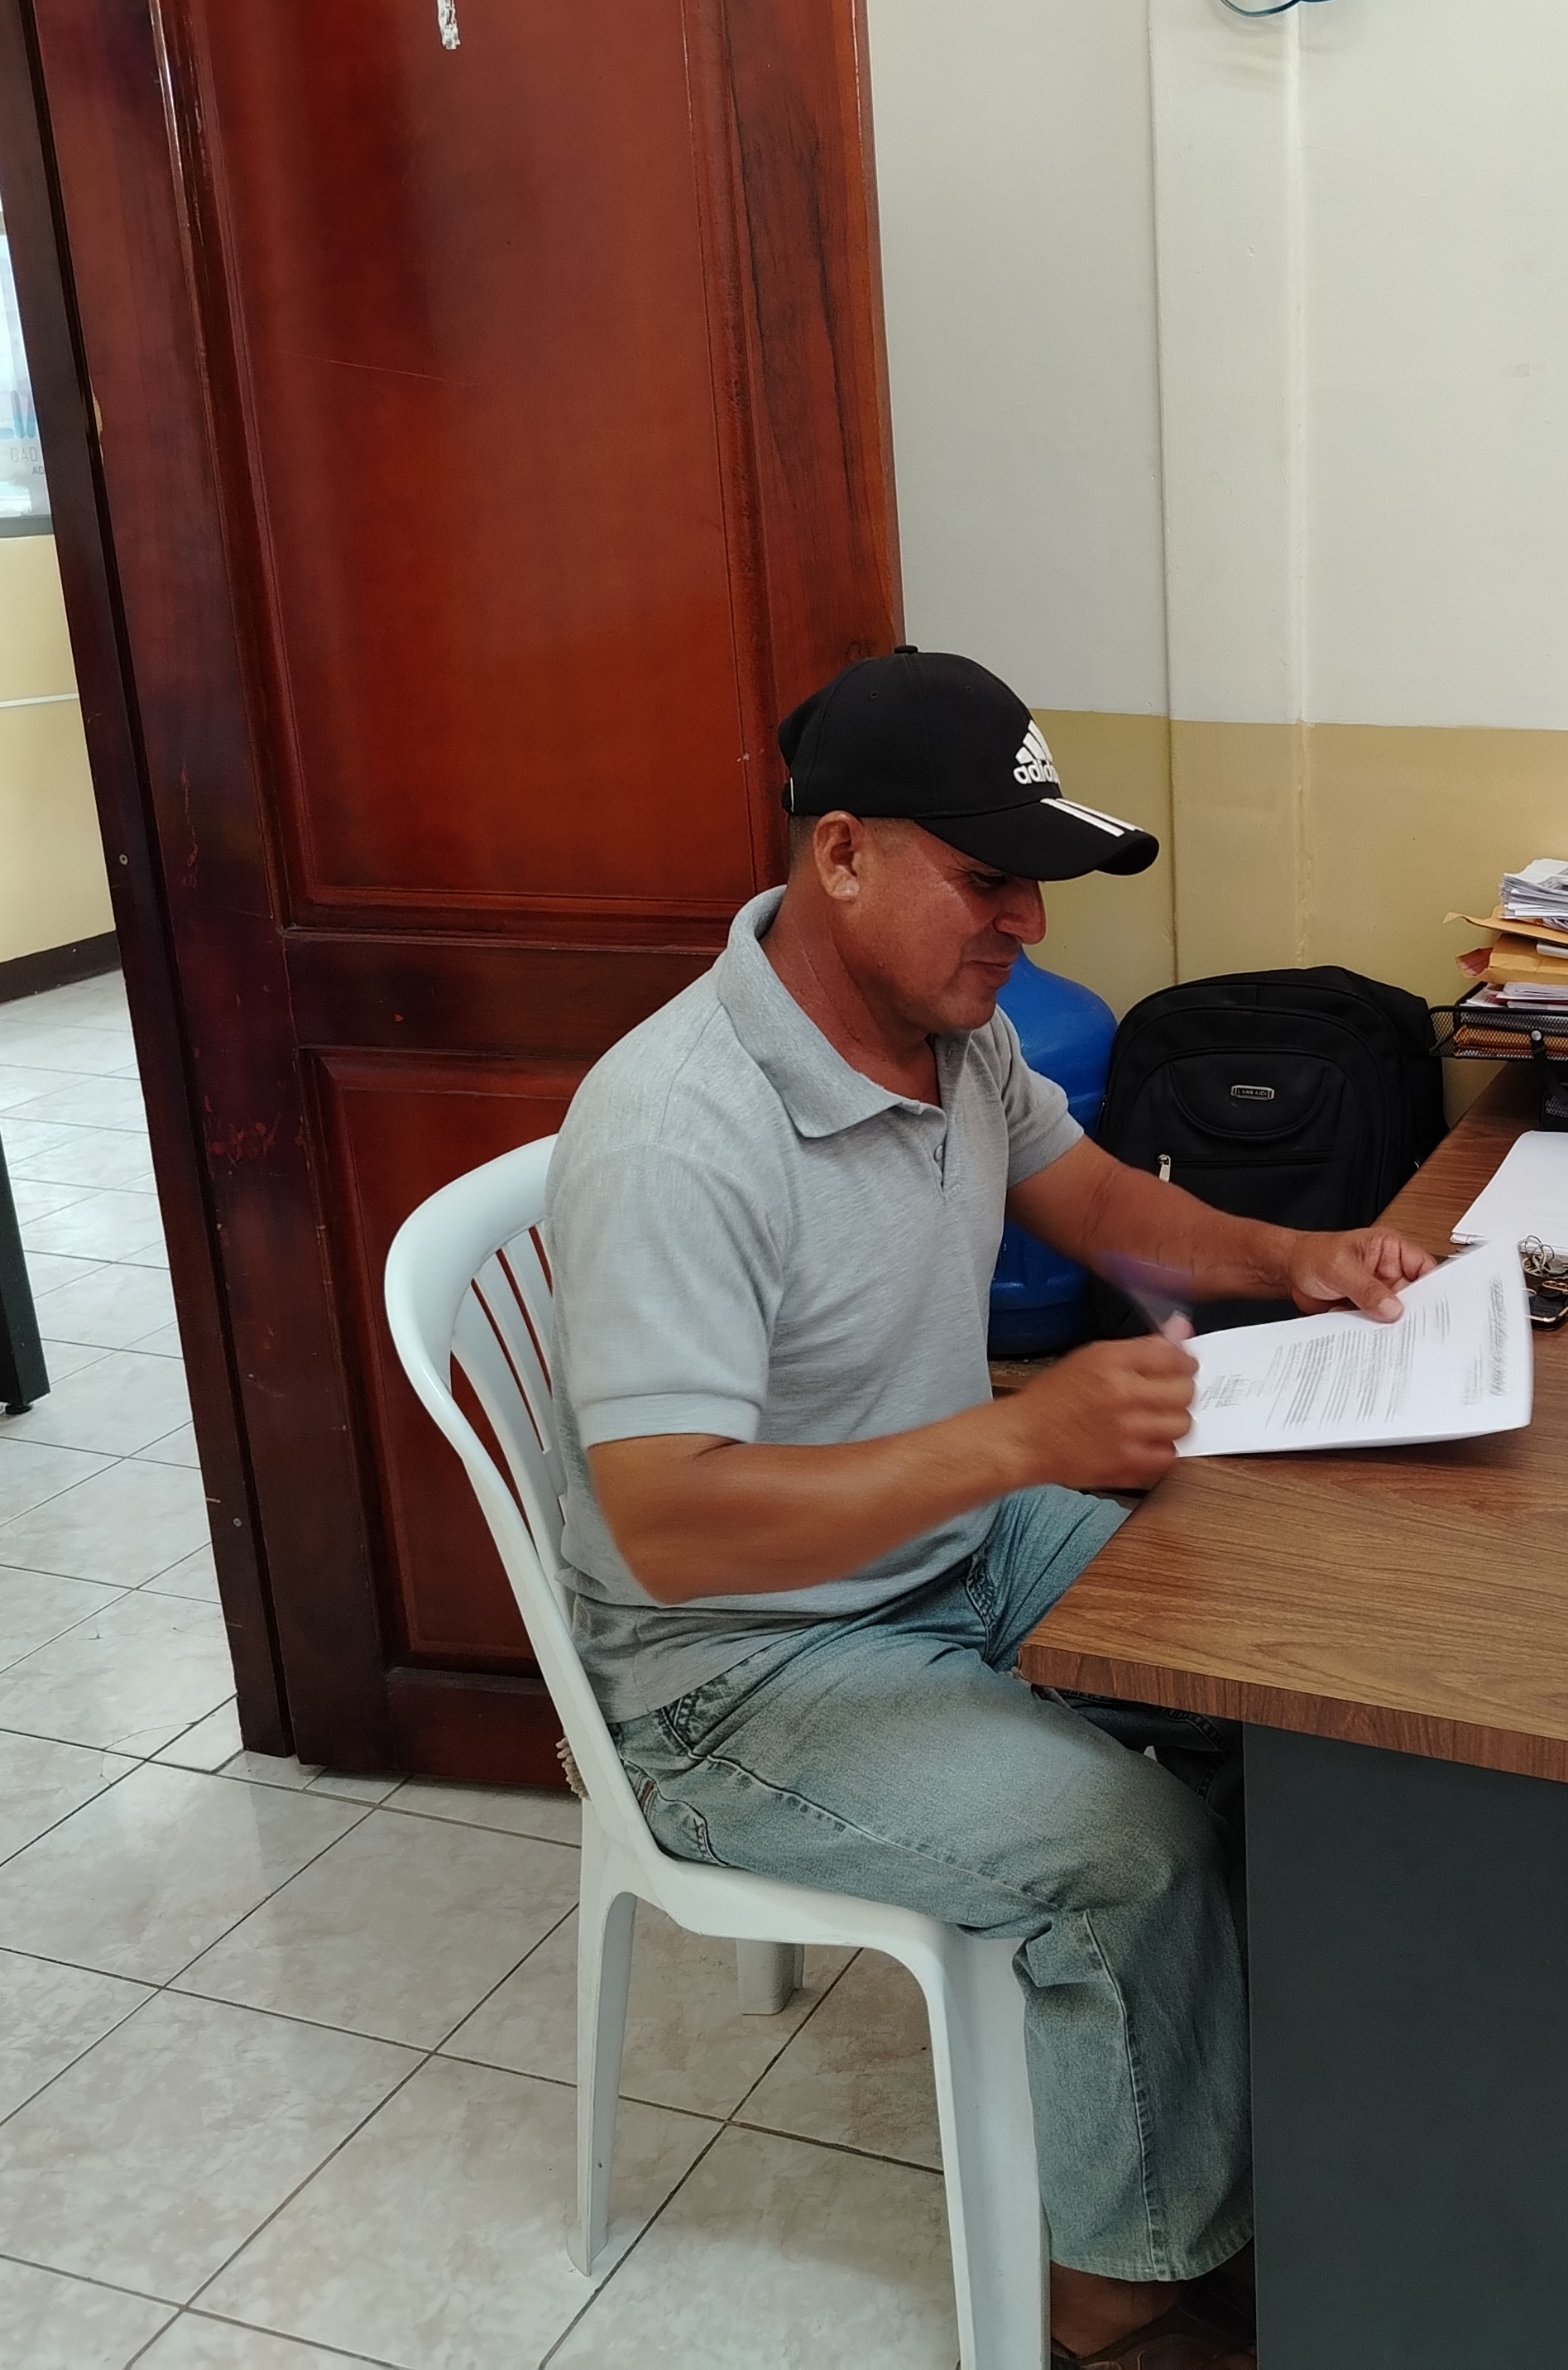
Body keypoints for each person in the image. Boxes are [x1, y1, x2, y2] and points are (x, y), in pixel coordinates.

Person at [544, 648, 1431, 2370]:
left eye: (1033, 879)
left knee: (1298, 1665)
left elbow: (1094, 1199)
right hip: (733, 1670)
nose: (1025, 921)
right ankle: (1111, 2299)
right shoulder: (674, 1133)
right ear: (842, 854)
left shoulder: (948, 1034)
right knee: (1127, 1860)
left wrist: (1296, 1257)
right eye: (986, 878)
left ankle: (1241, 2119)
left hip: (945, 1553)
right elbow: (672, 1527)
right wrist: (1023, 1443)